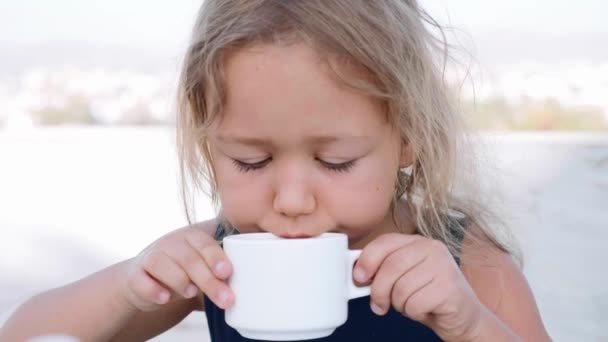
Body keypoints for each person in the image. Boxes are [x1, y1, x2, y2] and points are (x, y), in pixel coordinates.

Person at [0, 1, 551, 341]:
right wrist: (130, 286)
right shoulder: (217, 262)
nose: (290, 200)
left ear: (408, 136)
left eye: (335, 162)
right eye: (251, 161)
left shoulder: (464, 263)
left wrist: (470, 325)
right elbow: (28, 335)